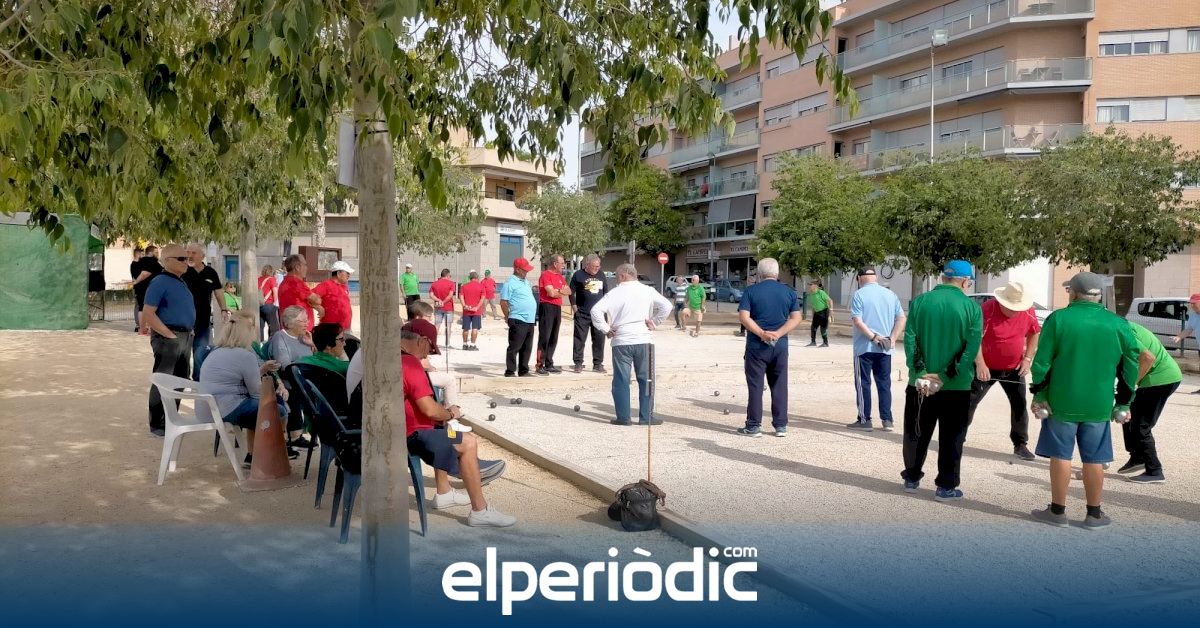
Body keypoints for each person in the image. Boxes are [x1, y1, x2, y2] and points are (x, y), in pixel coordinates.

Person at [1029, 272, 1140, 528]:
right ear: (1099, 295)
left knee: (1061, 455)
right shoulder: (1118, 324)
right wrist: (1124, 402)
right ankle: (1094, 514)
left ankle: (1057, 511)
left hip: (1061, 400)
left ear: (1073, 292)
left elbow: (1042, 362)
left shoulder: (1058, 319)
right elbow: (1130, 366)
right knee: (1094, 458)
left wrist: (1040, 394)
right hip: (1098, 403)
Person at [396, 331, 516, 526]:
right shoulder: (409, 363)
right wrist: (451, 413)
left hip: (412, 428)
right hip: (413, 434)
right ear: (422, 341)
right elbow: (429, 410)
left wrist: (443, 416)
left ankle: (445, 491)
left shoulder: (395, 358)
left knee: (448, 431)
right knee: (468, 442)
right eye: (429, 350)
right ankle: (480, 510)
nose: (427, 356)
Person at [900, 260, 983, 501]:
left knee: (916, 431)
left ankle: (911, 477)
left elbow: (910, 339)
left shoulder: (920, 302)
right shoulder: (972, 308)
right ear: (965, 281)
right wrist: (946, 375)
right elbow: (970, 348)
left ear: (944, 277)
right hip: (956, 385)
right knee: (952, 437)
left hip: (920, 384)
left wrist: (920, 371)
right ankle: (946, 486)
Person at [198, 310, 293, 467]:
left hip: (208, 408)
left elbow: (236, 378)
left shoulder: (216, 351)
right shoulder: (245, 355)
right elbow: (256, 393)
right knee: (277, 410)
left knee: (259, 409)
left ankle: (253, 455)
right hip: (226, 408)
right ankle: (273, 454)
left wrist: (261, 372)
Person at [964, 281, 1041, 460]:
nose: (1014, 311)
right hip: (986, 366)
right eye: (1010, 307)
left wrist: (1027, 359)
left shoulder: (1028, 311)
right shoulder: (987, 309)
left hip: (1014, 368)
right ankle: (958, 437)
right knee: (969, 402)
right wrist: (980, 363)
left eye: (1017, 307)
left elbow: (1034, 332)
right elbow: (974, 337)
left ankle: (1020, 444)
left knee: (1019, 404)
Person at [589, 263, 673, 426]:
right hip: (643, 339)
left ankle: (623, 417)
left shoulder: (614, 293)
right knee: (647, 379)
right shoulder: (647, 290)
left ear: (623, 275)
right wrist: (654, 322)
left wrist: (606, 328)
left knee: (621, 380)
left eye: (617, 275)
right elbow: (667, 306)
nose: (616, 279)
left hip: (621, 340)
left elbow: (595, 311)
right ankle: (646, 417)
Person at [735, 259, 802, 438]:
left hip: (756, 346)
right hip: (780, 345)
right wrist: (778, 333)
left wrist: (762, 333)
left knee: (756, 385)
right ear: (777, 273)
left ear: (759, 274)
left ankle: (753, 426)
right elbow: (796, 318)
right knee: (780, 385)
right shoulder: (789, 292)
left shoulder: (751, 291)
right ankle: (781, 425)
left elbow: (744, 317)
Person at [141, 245, 195, 437]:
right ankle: (157, 424)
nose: (186, 262)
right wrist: (169, 334)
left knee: (180, 379)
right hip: (169, 338)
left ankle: (171, 419)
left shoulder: (180, 281)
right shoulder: (159, 282)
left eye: (187, 258)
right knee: (163, 380)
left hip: (184, 337)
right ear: (167, 261)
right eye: (181, 258)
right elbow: (148, 312)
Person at [1118, 322, 1182, 484]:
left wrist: (1132, 385)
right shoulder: (1120, 325)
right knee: (1129, 416)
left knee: (1142, 425)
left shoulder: (1120, 330)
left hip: (1160, 379)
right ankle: (1137, 457)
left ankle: (1154, 471)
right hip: (1159, 377)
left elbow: (1148, 357)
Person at [847, 267, 906, 433]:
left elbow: (857, 321)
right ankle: (887, 420)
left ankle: (864, 420)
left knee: (863, 383)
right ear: (876, 277)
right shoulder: (890, 294)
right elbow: (901, 318)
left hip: (864, 347)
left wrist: (873, 337)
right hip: (885, 348)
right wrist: (892, 338)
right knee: (884, 383)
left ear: (859, 279)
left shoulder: (859, 295)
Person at [184, 243, 230, 379]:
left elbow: (219, 292)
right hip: (183, 321)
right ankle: (182, 381)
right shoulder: (182, 270)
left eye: (193, 253)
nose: (190, 256)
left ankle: (198, 381)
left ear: (202, 256)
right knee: (183, 354)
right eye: (188, 252)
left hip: (203, 321)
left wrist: (223, 309)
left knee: (200, 353)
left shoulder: (210, 272)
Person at [403, 308, 459, 406]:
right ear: (423, 341)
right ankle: (452, 407)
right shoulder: (412, 353)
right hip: (414, 379)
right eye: (429, 348)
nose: (426, 354)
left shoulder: (405, 334)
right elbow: (424, 365)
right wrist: (432, 369)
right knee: (449, 380)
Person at [570, 254, 609, 373]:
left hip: (599, 314)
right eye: (595, 266)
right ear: (587, 265)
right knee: (579, 339)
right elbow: (571, 293)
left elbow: (606, 293)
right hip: (582, 313)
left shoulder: (601, 274)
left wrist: (605, 310)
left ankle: (598, 364)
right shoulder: (578, 275)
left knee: (599, 340)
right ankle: (578, 363)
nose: (597, 268)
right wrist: (575, 309)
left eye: (598, 266)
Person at [500, 257, 537, 377]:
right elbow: (503, 302)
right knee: (515, 346)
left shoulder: (525, 281)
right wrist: (507, 316)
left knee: (527, 347)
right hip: (518, 318)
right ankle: (510, 371)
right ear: (517, 269)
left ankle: (523, 371)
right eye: (524, 270)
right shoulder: (509, 283)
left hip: (529, 320)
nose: (527, 272)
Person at [536, 254, 572, 375]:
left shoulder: (560, 276)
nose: (563, 265)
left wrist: (557, 291)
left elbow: (569, 291)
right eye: (562, 263)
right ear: (555, 264)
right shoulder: (545, 275)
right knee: (545, 336)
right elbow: (551, 293)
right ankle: (539, 365)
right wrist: (560, 291)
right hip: (547, 307)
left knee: (553, 337)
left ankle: (549, 363)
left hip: (557, 307)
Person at [277, 254, 324, 332]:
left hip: (292, 329)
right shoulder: (296, 282)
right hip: (299, 331)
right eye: (305, 265)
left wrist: (316, 306)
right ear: (297, 267)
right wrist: (318, 305)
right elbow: (317, 300)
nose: (306, 268)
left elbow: (305, 299)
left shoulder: (286, 282)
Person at [1169, 293, 1200, 393]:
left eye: (1194, 303)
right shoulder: (1193, 316)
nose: (1192, 305)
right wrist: (1178, 337)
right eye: (1191, 303)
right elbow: (1188, 330)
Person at [314, 260, 354, 332]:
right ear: (338, 273)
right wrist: (318, 308)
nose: (349, 275)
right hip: (330, 330)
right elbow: (309, 296)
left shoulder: (344, 287)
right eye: (347, 273)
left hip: (346, 328)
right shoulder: (326, 285)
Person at [130, 245, 162, 333]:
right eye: (156, 252)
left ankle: (142, 328)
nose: (158, 254)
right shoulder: (151, 261)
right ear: (150, 253)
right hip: (148, 288)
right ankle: (147, 329)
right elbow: (145, 273)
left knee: (142, 307)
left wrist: (136, 282)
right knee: (151, 308)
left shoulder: (140, 261)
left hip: (141, 288)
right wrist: (136, 282)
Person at [458, 270, 486, 350]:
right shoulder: (481, 286)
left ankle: (464, 344)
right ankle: (472, 345)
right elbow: (482, 299)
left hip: (466, 310)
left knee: (466, 328)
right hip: (476, 311)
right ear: (477, 278)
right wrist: (477, 307)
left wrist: (464, 306)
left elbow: (461, 297)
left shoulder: (464, 286)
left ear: (469, 278)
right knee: (475, 328)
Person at [258, 265, 280, 340]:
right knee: (273, 327)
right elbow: (275, 292)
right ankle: (271, 343)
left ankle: (260, 343)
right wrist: (274, 303)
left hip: (259, 306)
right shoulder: (272, 279)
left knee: (260, 327)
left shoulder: (258, 279)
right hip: (268, 305)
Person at [807, 280, 831, 347]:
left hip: (824, 312)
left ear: (815, 286)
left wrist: (831, 311)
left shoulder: (821, 292)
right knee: (813, 327)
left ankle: (825, 343)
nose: (810, 286)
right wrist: (813, 314)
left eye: (811, 285)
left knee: (823, 328)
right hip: (816, 313)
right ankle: (813, 342)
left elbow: (830, 300)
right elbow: (813, 305)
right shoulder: (811, 294)